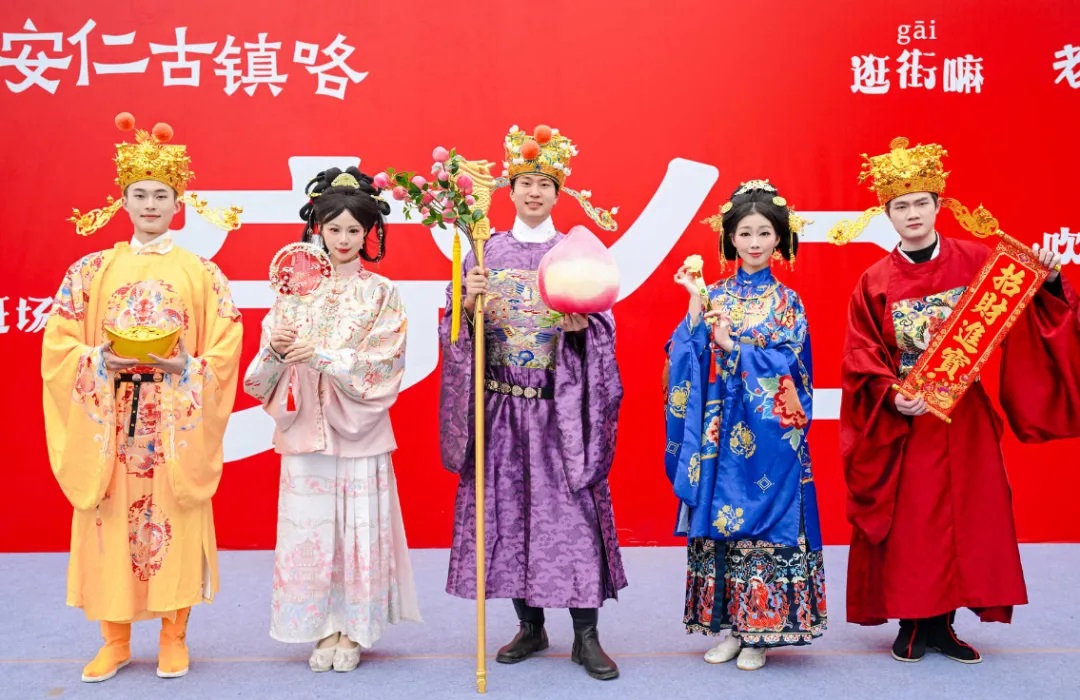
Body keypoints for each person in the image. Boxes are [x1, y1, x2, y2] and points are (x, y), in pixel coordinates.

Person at [832, 137, 1080, 663]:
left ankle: (943, 625)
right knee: (913, 523)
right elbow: (860, 354)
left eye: (922, 202)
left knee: (966, 521)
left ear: (939, 205)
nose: (913, 214)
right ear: (887, 215)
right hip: (907, 421)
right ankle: (912, 622)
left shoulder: (979, 261)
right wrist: (892, 394)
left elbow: (1034, 317)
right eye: (901, 206)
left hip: (964, 417)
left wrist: (1051, 280)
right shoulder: (874, 281)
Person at [42, 112, 244, 682]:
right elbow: (59, 343)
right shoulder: (91, 269)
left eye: (161, 195)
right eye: (140, 194)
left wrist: (190, 367)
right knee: (109, 523)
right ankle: (115, 639)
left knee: (174, 520)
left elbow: (226, 342)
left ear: (178, 203)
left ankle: (174, 636)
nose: (150, 204)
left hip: (173, 421)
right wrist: (97, 360)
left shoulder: (202, 273)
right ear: (123, 201)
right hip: (110, 421)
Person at [439, 124, 626, 680]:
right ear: (511, 189)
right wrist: (465, 306)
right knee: (510, 514)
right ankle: (530, 624)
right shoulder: (483, 250)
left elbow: (605, 332)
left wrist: (581, 331)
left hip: (558, 409)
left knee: (571, 517)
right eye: (525, 182)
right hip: (500, 407)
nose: (534, 192)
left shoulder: (576, 252)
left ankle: (586, 635)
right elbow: (455, 334)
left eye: (545, 184)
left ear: (559, 192)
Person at [243, 166, 420, 672]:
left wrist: (322, 357)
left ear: (369, 234)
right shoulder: (292, 290)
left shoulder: (381, 292)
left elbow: (385, 362)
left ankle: (353, 628)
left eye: (354, 230)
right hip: (306, 427)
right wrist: (276, 351)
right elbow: (260, 375)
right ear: (317, 228)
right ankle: (321, 626)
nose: (343, 239)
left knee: (358, 528)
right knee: (311, 529)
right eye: (334, 228)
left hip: (358, 426)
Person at [665, 180, 826, 672]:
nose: (755, 243)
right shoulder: (712, 293)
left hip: (770, 433)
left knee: (767, 525)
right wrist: (695, 307)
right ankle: (732, 629)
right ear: (730, 238)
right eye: (745, 233)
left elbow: (795, 368)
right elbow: (682, 358)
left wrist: (736, 349)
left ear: (780, 239)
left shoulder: (788, 302)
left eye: (764, 233)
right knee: (721, 525)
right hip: (719, 431)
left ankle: (761, 631)